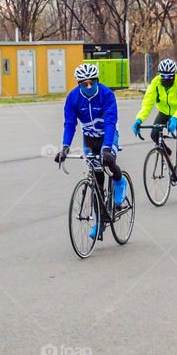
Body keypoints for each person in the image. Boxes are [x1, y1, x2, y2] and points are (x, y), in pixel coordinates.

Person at [54, 63, 127, 238]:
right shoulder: (73, 98)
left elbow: (110, 121)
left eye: (91, 82)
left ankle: (119, 182)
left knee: (107, 162)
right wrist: (65, 147)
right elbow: (70, 124)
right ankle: (100, 221)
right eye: (83, 83)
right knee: (96, 180)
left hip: (108, 134)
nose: (88, 86)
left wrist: (107, 147)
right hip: (89, 137)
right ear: (78, 84)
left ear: (97, 80)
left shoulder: (106, 94)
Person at [132, 58, 177, 193]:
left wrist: (175, 118)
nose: (165, 79)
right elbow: (147, 103)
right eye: (163, 76)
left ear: (174, 75)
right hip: (164, 112)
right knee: (154, 135)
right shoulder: (155, 83)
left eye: (169, 76)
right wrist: (139, 120)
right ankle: (167, 151)